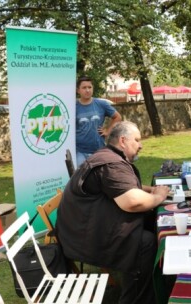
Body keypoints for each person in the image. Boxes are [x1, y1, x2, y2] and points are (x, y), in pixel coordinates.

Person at [56, 121, 170, 304]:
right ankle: (136, 298)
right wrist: (159, 196)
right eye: (137, 140)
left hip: (83, 229)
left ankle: (160, 284)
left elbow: (126, 188)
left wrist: (151, 191)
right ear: (123, 140)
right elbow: (132, 202)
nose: (141, 145)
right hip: (86, 238)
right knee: (145, 243)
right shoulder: (111, 164)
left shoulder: (107, 156)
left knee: (151, 221)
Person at [76, 76, 122, 166]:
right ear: (78, 90)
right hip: (80, 151)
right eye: (84, 87)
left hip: (99, 150)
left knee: (99, 177)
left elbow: (117, 117)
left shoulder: (101, 104)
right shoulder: (73, 106)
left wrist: (108, 131)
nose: (87, 90)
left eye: (89, 87)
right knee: (81, 178)